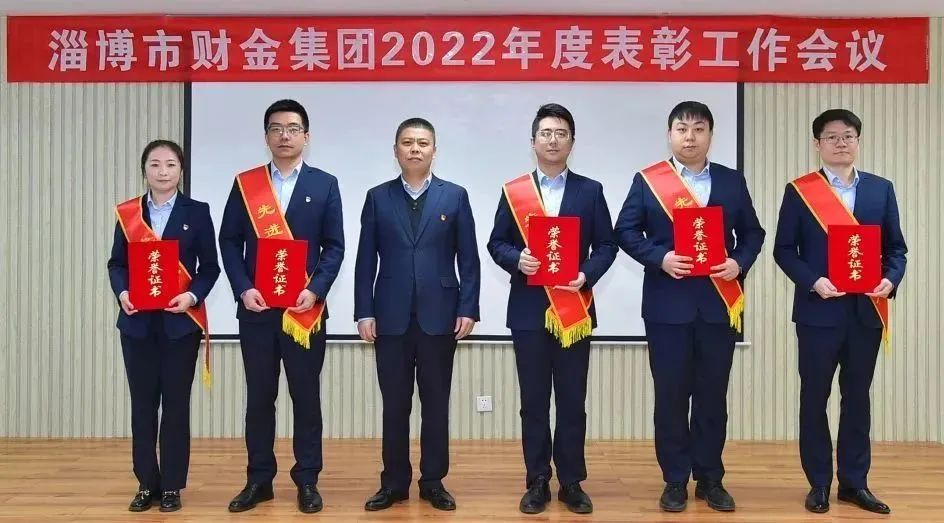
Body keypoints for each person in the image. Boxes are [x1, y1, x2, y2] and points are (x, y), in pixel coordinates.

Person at [614, 101, 765, 513]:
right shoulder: (649, 181)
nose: (690, 136)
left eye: (699, 128)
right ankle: (675, 479)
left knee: (713, 396)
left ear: (710, 135)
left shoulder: (731, 181)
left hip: (718, 305)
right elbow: (624, 231)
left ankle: (711, 478)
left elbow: (753, 233)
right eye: (682, 128)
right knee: (671, 396)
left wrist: (739, 263)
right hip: (667, 308)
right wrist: (660, 257)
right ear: (670, 135)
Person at [773, 109, 906, 515]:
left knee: (857, 398)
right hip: (819, 312)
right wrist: (813, 280)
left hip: (866, 312)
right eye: (831, 137)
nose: (841, 143)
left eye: (848, 135)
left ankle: (854, 483)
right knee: (815, 398)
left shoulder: (881, 190)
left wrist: (890, 280)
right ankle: (818, 483)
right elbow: (784, 250)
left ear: (858, 141)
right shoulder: (800, 191)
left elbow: (896, 250)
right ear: (817, 144)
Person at [487, 103, 617, 515]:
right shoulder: (515, 191)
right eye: (546, 133)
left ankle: (572, 481)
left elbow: (607, 245)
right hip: (529, 312)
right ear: (533, 141)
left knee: (573, 400)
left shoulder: (590, 191)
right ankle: (537, 480)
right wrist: (517, 260)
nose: (553, 140)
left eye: (561, 133)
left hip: (573, 310)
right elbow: (496, 243)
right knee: (534, 401)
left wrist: (586, 274)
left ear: (572, 142)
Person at [219, 99, 345, 514]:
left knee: (306, 397)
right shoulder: (247, 185)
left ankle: (307, 479)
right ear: (266, 136)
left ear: (306, 136)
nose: (284, 136)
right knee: (259, 398)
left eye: (292, 129)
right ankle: (259, 480)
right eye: (276, 128)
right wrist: (242, 289)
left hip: (303, 313)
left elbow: (335, 247)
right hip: (257, 311)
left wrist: (317, 290)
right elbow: (229, 241)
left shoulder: (325, 184)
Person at [355, 117, 480, 512]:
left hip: (440, 316)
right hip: (389, 317)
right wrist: (363, 311)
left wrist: (468, 308)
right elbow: (365, 261)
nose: (414, 149)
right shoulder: (378, 197)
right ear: (395, 150)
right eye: (407, 142)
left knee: (436, 404)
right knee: (395, 405)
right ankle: (393, 483)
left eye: (422, 143)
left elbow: (469, 259)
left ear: (434, 151)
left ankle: (433, 481)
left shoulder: (454, 196)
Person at [107, 139, 220, 513]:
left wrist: (192, 296)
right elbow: (117, 264)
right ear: (144, 170)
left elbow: (210, 268)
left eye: (170, 164)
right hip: (137, 325)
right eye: (154, 164)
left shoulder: (197, 212)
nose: (162, 171)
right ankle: (146, 483)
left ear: (181, 170)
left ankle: (171, 485)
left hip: (179, 326)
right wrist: (122, 292)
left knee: (175, 406)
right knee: (142, 406)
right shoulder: (129, 213)